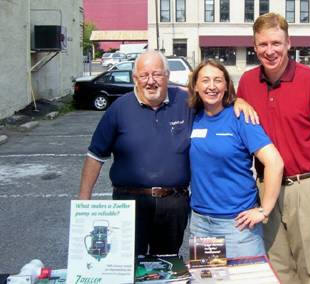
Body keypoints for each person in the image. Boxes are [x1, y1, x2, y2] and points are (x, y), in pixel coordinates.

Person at [79, 50, 258, 257]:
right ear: (134, 78)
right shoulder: (119, 109)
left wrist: (237, 101)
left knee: (167, 265)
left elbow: (212, 97)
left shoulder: (185, 102)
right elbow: (95, 156)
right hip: (129, 204)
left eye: (157, 74)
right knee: (125, 263)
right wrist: (84, 203)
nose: (151, 81)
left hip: (174, 205)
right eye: (144, 75)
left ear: (167, 76)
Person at [237, 13, 310, 283]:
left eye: (276, 43)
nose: (269, 51)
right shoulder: (247, 83)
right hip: (265, 189)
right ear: (254, 46)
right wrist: (237, 102)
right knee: (277, 267)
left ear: (288, 43)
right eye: (263, 44)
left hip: (305, 188)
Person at [188, 59, 284, 258]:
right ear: (196, 86)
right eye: (205, 80)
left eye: (218, 80)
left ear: (226, 86)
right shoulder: (192, 117)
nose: (212, 86)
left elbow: (275, 162)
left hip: (238, 225)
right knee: (208, 282)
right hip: (201, 223)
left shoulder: (240, 117)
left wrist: (264, 210)